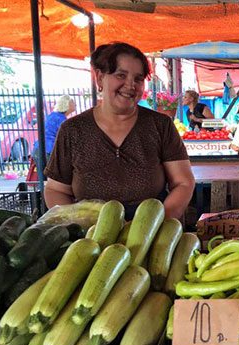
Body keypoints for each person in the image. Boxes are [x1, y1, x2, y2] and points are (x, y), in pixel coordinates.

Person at [44, 42, 195, 220]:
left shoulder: (160, 125)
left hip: (153, 236)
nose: (130, 85)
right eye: (121, 75)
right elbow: (55, 189)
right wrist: (75, 225)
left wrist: (159, 225)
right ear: (100, 78)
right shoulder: (73, 130)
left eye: (138, 79)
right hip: (91, 237)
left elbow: (184, 183)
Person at [32, 95, 76, 162]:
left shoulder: (53, 116)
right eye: (73, 102)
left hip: (39, 149)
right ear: (67, 104)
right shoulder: (61, 120)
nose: (75, 104)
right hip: (49, 151)